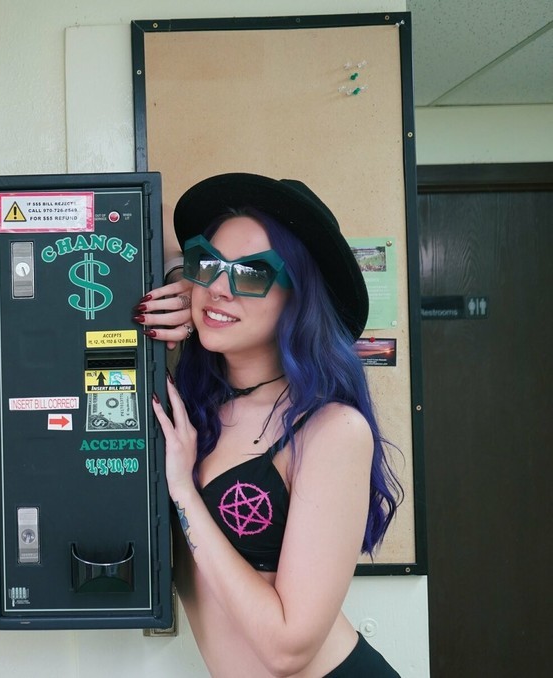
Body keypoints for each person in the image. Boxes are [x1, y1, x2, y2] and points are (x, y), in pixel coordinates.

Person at [140, 173, 402, 677]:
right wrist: (182, 281)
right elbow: (147, 221)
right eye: (208, 263)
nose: (220, 287)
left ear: (299, 298)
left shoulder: (330, 429)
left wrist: (184, 493)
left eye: (252, 273)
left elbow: (287, 650)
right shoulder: (194, 404)